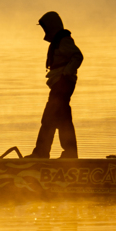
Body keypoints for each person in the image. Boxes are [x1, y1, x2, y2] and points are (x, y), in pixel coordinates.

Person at [28, 11, 83, 159]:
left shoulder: (64, 40)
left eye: (45, 28)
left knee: (48, 118)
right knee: (63, 120)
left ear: (51, 27)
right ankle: (69, 154)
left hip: (62, 84)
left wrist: (66, 73)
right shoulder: (58, 41)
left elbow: (78, 56)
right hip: (59, 84)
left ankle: (41, 153)